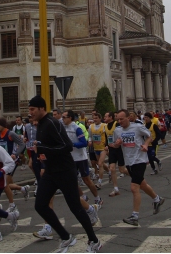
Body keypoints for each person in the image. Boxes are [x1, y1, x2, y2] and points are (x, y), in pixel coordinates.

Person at [29, 96, 102, 253]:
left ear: (42, 108)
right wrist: (40, 151)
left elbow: (67, 146)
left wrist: (43, 149)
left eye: (32, 109)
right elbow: (47, 146)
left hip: (65, 170)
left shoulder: (52, 123)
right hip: (50, 171)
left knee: (75, 207)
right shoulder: (40, 125)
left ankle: (94, 241)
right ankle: (66, 237)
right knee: (40, 205)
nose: (30, 113)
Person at [112, 109, 165, 226]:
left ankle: (135, 216)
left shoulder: (137, 127)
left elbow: (149, 136)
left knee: (134, 187)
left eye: (122, 119)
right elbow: (114, 144)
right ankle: (157, 199)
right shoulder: (117, 130)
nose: (120, 121)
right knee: (142, 184)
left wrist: (146, 145)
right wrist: (117, 143)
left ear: (128, 118)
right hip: (129, 161)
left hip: (139, 160)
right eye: (118, 119)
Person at [62, 110, 103, 207]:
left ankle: (98, 198)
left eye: (64, 117)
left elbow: (84, 143)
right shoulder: (63, 128)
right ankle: (83, 196)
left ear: (70, 118)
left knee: (86, 179)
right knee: (71, 180)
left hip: (80, 158)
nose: (62, 119)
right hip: (70, 158)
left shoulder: (77, 128)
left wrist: (72, 144)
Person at [0, 118, 29, 211]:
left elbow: (22, 144)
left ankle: (12, 205)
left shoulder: (10, 134)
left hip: (12, 161)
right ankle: (22, 189)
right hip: (3, 161)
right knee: (6, 184)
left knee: (5, 184)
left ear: (2, 125)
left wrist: (16, 154)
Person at [104, 111, 128, 197]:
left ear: (111, 117)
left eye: (106, 116)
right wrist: (106, 145)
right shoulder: (105, 126)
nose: (104, 118)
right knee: (112, 168)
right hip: (112, 149)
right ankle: (116, 188)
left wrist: (119, 142)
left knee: (122, 170)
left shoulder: (117, 125)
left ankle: (136, 177)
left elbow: (122, 134)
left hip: (119, 149)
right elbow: (107, 137)